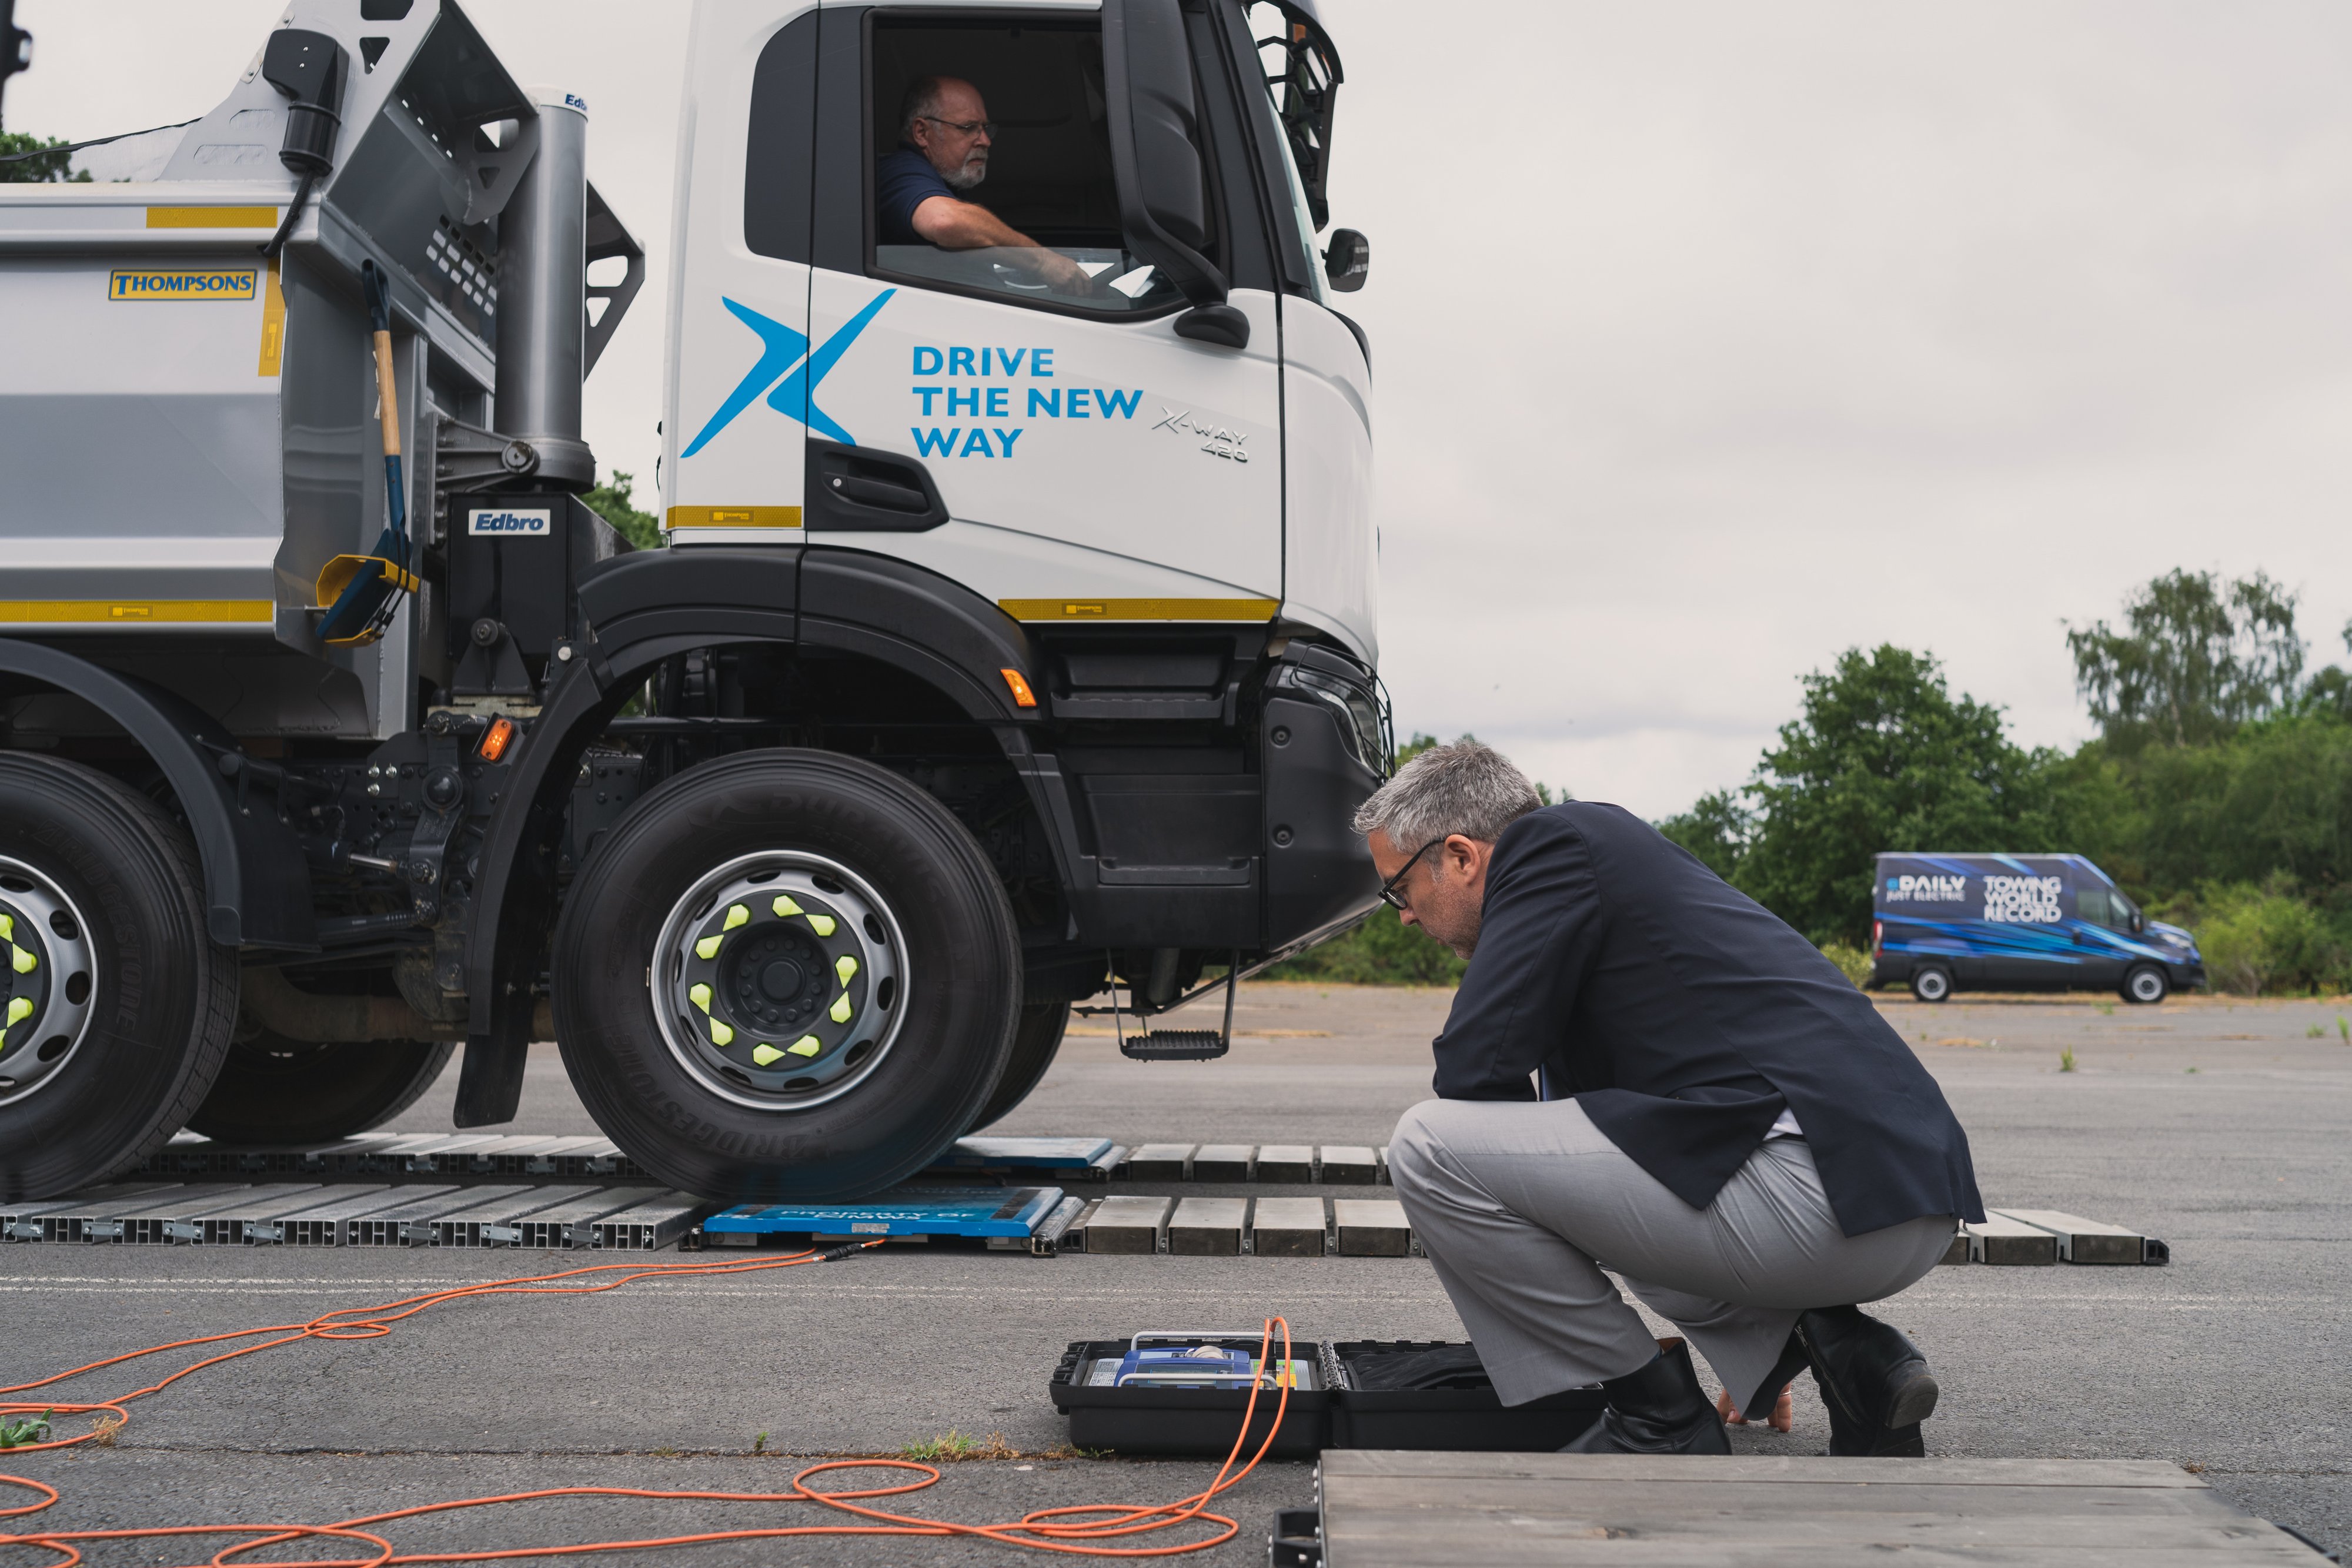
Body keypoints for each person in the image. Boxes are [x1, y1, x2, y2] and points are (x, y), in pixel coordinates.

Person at [1364, 741, 1983, 1457]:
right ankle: (1850, 1357)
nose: (1404, 916)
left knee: (1427, 1147)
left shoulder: (1548, 845)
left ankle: (1656, 1419)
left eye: (1399, 890)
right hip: (1897, 1203)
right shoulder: (1611, 868)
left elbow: (1471, 1072)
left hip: (1815, 1196)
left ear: (1463, 856)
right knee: (1604, 1210)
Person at [876, 75, 1093, 295]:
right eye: (968, 127)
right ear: (922, 133)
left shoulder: (944, 184)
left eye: (985, 129)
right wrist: (1044, 262)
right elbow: (945, 221)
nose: (985, 141)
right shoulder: (899, 169)